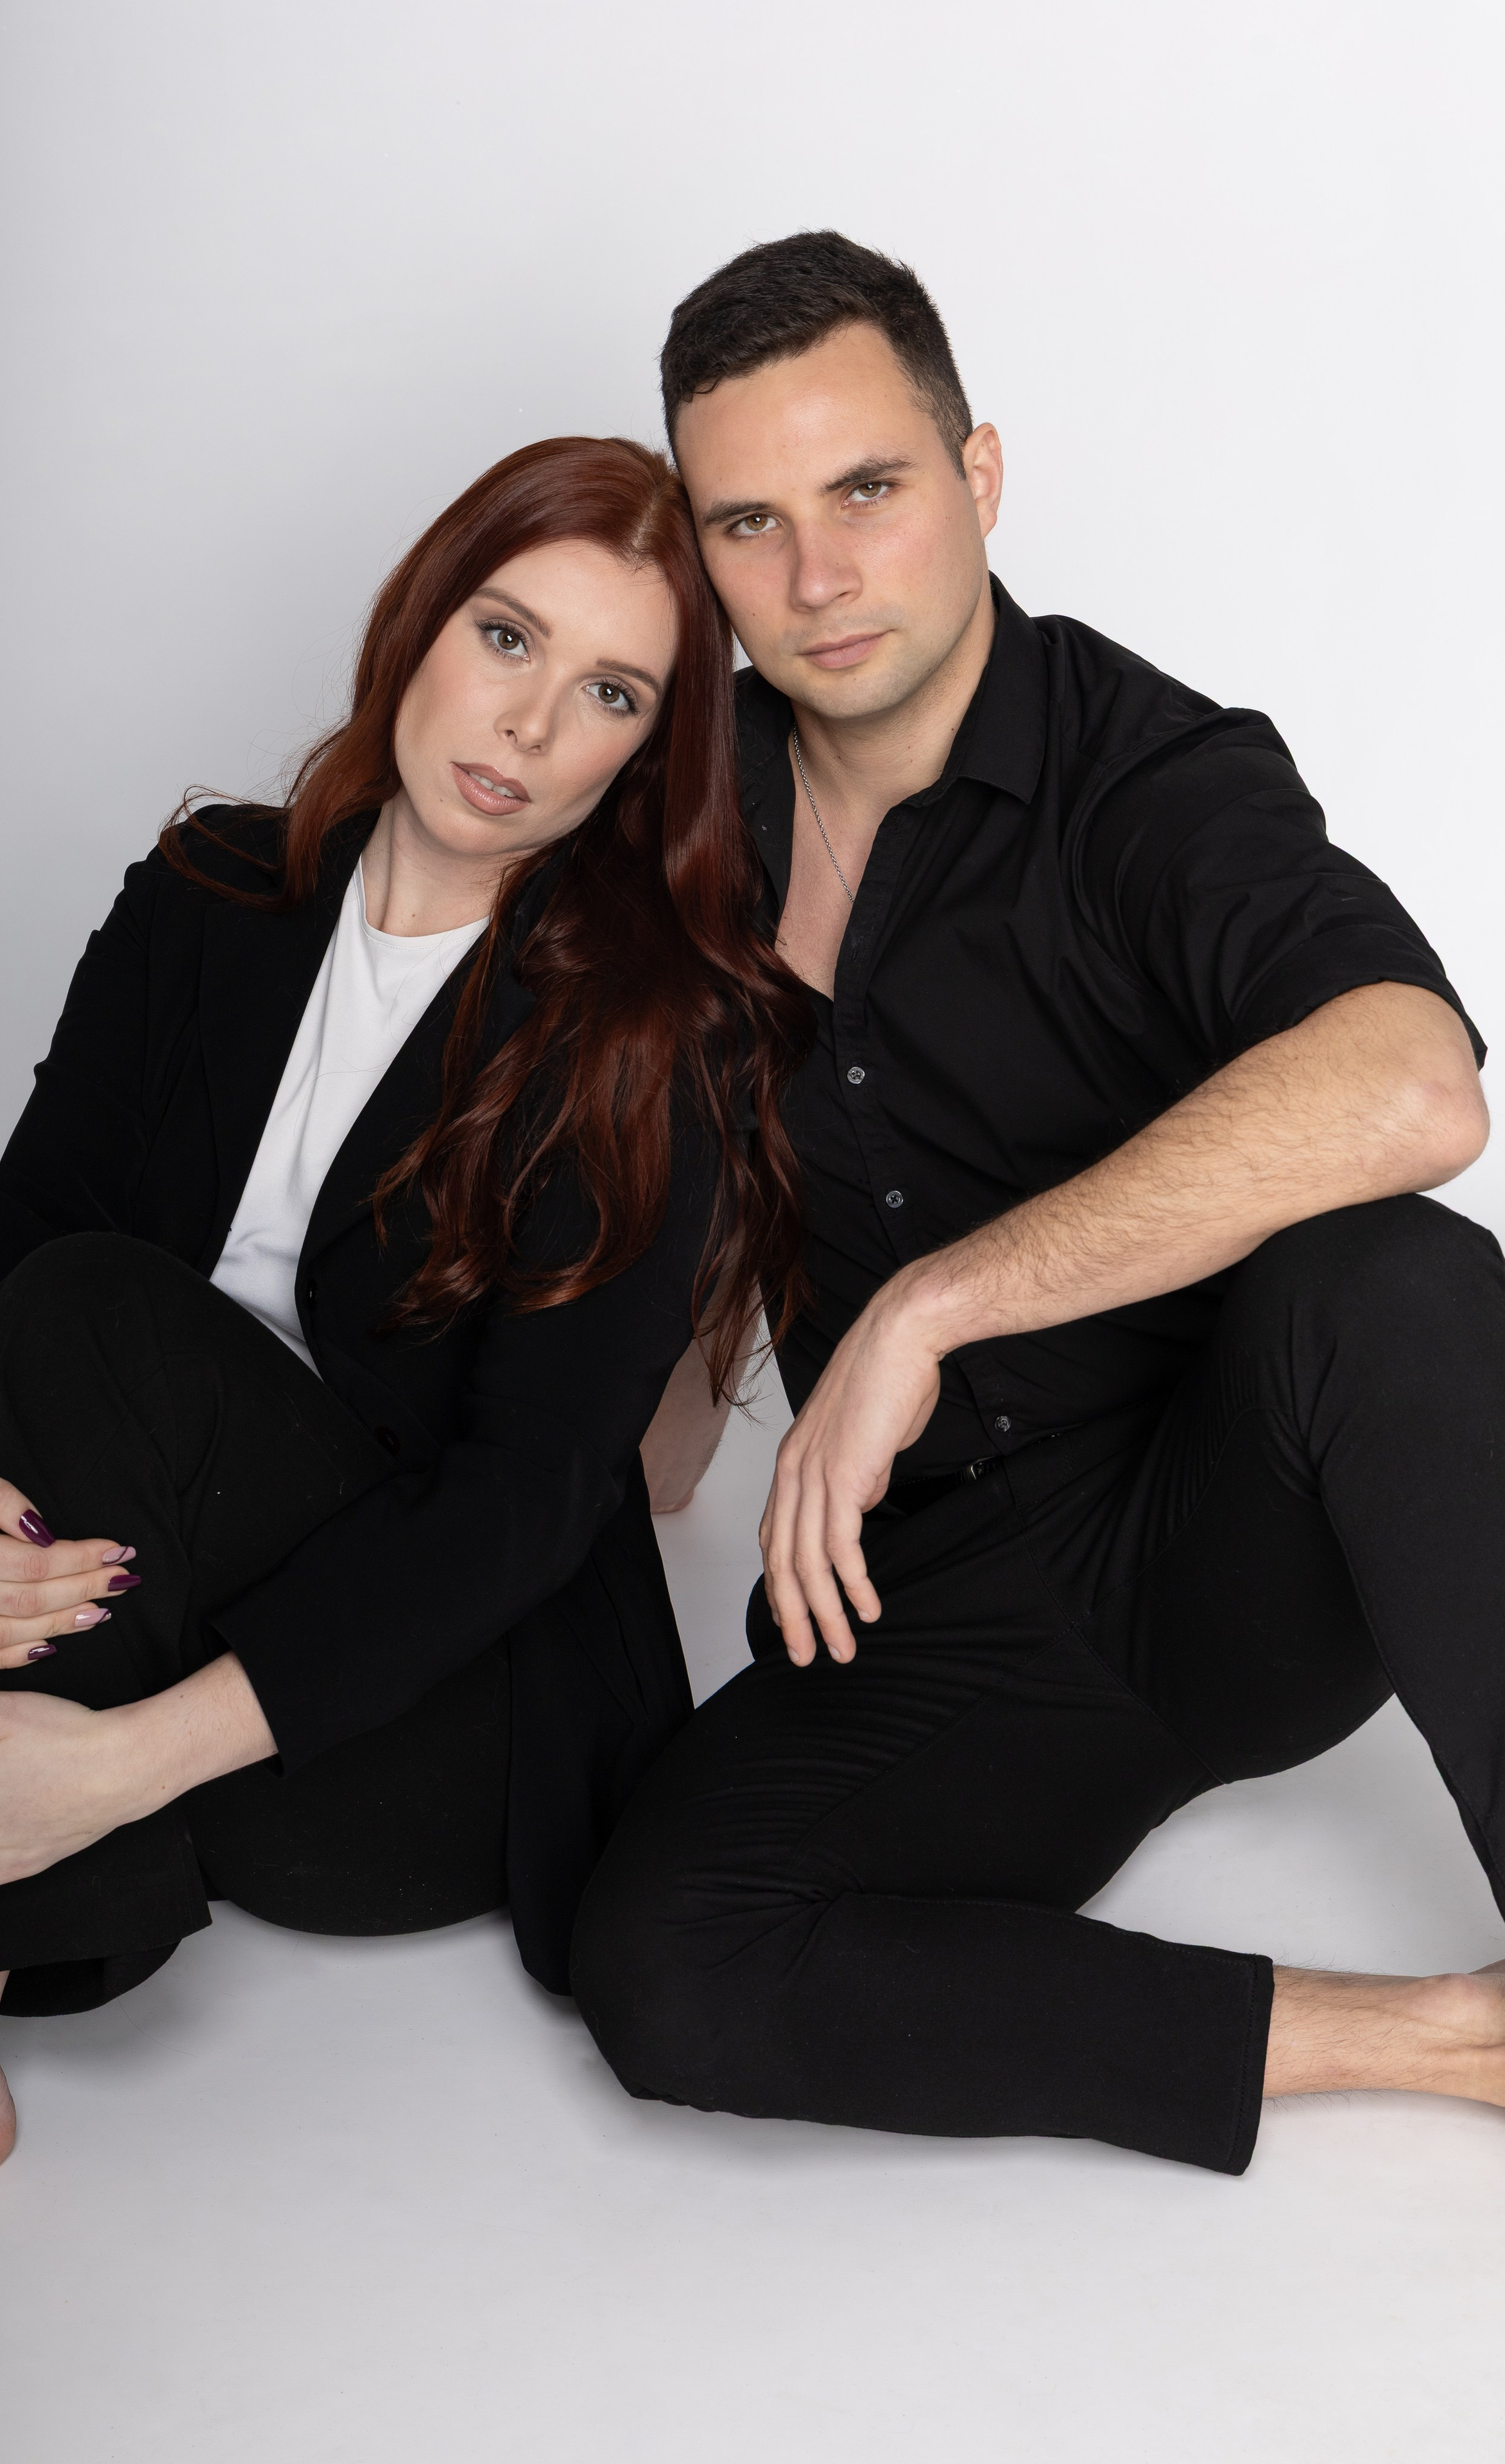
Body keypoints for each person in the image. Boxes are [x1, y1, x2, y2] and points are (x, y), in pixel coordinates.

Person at [571, 233, 1505, 2175]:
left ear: (978, 475)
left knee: (1397, 1283)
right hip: (941, 1613)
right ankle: (1441, 2038)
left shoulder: (1149, 771)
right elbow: (659, 1445)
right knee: (655, 1960)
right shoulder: (679, 823)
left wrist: (931, 1307)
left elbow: (1418, 1083)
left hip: (1232, 1533)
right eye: (750, 524)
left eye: (868, 490)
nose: (818, 578)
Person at [0, 434, 813, 2218]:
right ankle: (20, 1770)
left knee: (94, 1315)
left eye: (610, 693)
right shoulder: (209, 890)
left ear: (647, 753)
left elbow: (524, 1505)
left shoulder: (646, 1037)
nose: (529, 723)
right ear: (420, 618)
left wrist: (119, 1763)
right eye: (507, 636)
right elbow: (33, 1203)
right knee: (18, 1365)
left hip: (417, 1723)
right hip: (134, 1574)